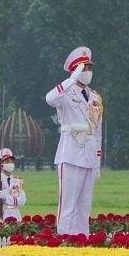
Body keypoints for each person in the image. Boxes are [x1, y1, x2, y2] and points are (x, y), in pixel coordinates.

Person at [46, 46, 103, 235]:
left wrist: (97, 160)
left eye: (89, 68)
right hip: (70, 152)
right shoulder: (65, 93)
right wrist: (70, 80)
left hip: (88, 153)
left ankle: (81, 238)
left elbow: (97, 130)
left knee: (84, 204)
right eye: (84, 68)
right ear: (75, 69)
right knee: (68, 204)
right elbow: (50, 99)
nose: (88, 72)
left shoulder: (95, 97)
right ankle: (64, 238)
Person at [0, 148, 26, 223]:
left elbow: (23, 201)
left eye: (11, 161)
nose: (10, 163)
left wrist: (6, 198)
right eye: (7, 161)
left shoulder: (18, 181)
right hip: (0, 218)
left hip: (16, 216)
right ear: (1, 164)